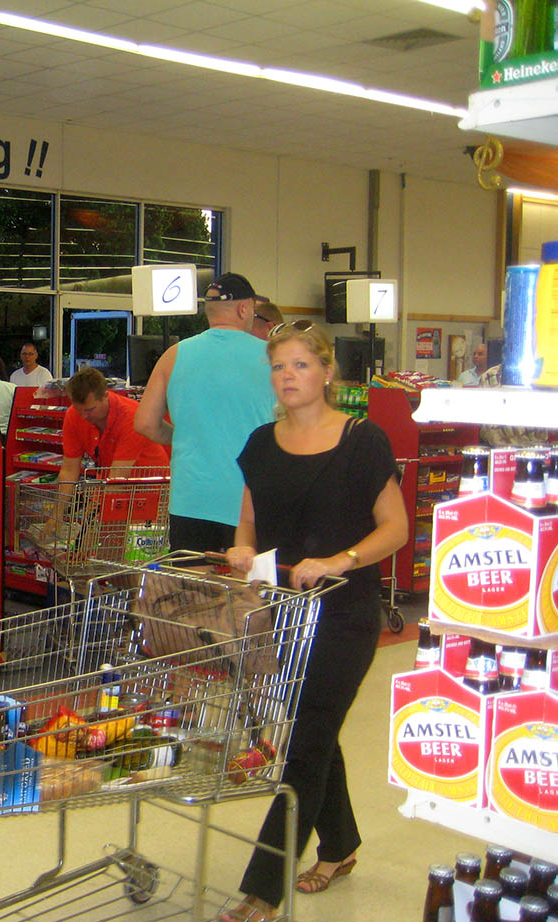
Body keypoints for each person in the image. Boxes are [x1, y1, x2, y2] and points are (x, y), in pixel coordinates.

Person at [220, 323, 407, 922]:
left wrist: (339, 559)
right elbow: (248, 524)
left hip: (346, 613)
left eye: (300, 365)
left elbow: (395, 528)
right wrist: (240, 551)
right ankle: (342, 846)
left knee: (305, 742)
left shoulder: (363, 440)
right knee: (315, 731)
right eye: (279, 368)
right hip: (283, 613)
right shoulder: (260, 444)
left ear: (327, 372)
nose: (289, 377)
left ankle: (262, 889)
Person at [134, 272, 276, 553]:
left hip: (191, 498)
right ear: (244, 308)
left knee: (194, 590)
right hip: (251, 501)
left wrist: (187, 437)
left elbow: (145, 424)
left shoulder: (174, 355)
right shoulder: (275, 357)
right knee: (247, 591)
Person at [60, 366, 168, 485]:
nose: (84, 416)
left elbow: (118, 478)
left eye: (90, 409)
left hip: (151, 488)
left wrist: (101, 502)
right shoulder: (73, 415)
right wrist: (60, 504)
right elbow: (69, 470)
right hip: (112, 483)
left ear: (105, 395)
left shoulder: (132, 416)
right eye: (78, 410)